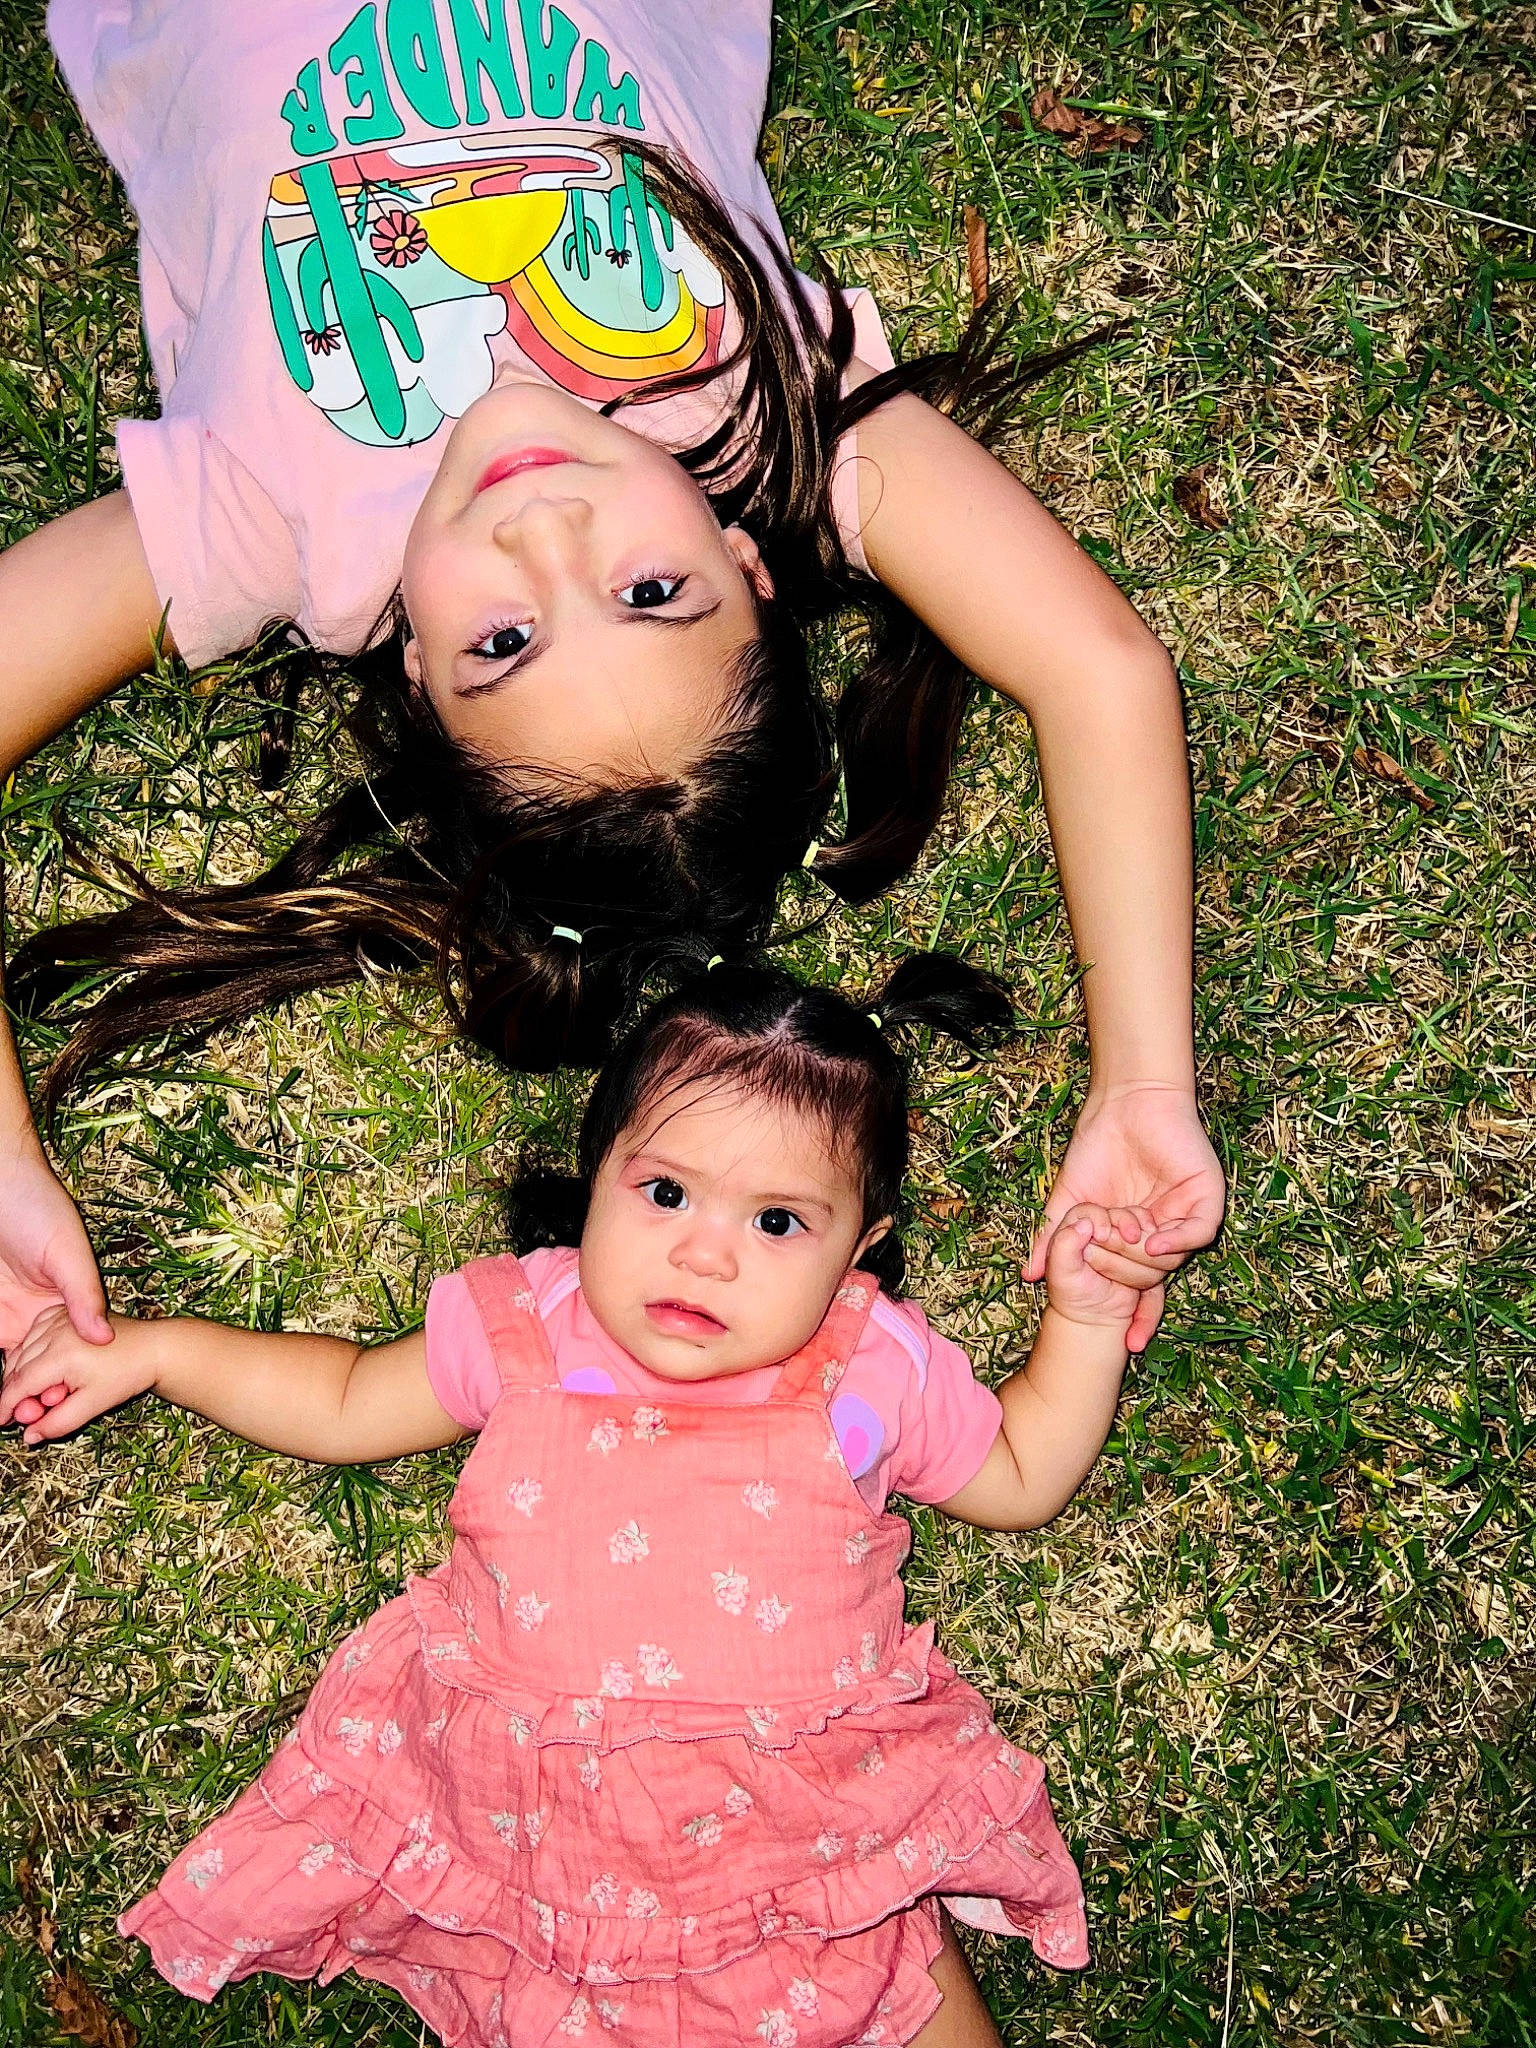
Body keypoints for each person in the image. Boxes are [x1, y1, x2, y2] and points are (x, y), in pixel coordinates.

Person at [0, 1, 1220, 1371]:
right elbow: (1095, 668)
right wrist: (1143, 1083)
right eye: (652, 596)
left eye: (501, 643)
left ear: (413, 671)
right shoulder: (752, 400)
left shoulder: (271, 522)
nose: (547, 538)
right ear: (745, 562)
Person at [2, 953, 1158, 2047]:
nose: (705, 1255)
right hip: (537, 1840)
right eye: (664, 1191)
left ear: (863, 1246)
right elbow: (347, 1398)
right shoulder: (531, 1326)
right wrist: (157, 1352)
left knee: (896, 1991)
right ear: (594, 1173)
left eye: (776, 1221)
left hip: (804, 1840)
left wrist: (1089, 1322)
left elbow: (1019, 1476)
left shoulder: (872, 1365)